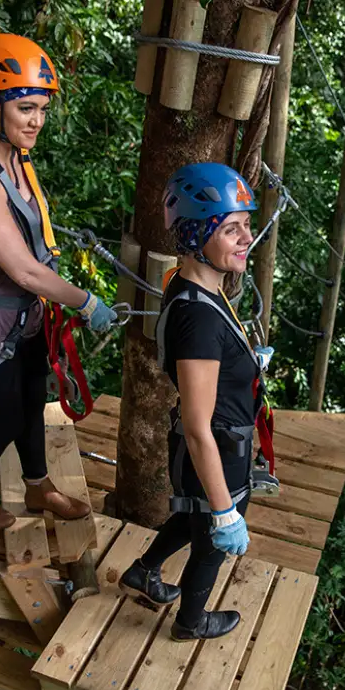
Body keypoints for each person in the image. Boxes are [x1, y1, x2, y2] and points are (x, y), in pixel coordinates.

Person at [0, 34, 116, 530]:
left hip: (25, 318)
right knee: (7, 419)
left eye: (42, 109)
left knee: (33, 403)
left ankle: (38, 486)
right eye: (26, 108)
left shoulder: (15, 156)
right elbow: (22, 270)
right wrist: (86, 302)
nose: (37, 121)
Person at [118, 163, 267, 642]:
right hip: (215, 450)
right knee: (210, 543)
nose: (246, 236)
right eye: (230, 228)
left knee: (191, 515)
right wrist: (226, 510)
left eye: (246, 223)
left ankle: (144, 571)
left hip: (210, 445)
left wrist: (244, 362)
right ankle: (190, 622)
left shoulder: (195, 286)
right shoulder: (199, 319)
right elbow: (200, 424)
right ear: (198, 233)